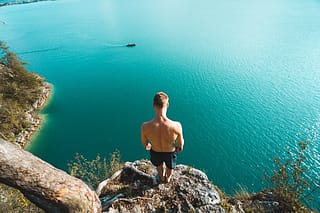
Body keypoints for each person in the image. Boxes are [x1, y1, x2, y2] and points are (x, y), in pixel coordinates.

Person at [141, 92, 184, 183]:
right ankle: (167, 178)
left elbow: (145, 143)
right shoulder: (176, 126)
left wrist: (148, 145)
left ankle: (161, 176)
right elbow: (181, 145)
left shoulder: (145, 126)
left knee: (159, 165)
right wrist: (178, 147)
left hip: (156, 151)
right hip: (170, 152)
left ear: (153, 105)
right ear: (167, 105)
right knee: (170, 167)